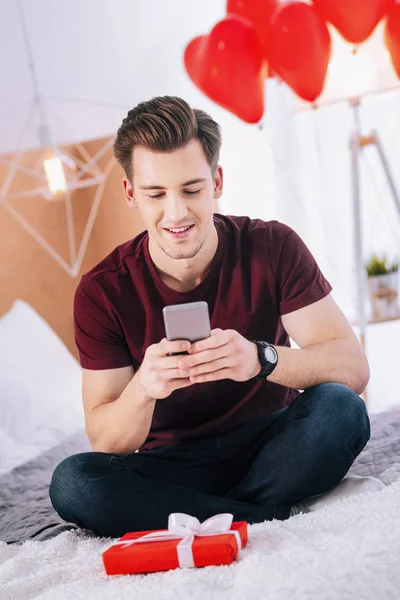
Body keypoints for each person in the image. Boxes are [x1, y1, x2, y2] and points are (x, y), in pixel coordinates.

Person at [49, 96, 384, 539]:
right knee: (73, 482)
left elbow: (353, 370)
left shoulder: (272, 246)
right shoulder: (102, 290)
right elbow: (108, 440)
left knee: (342, 409)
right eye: (156, 194)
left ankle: (203, 517)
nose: (177, 213)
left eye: (191, 189)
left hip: (271, 444)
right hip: (171, 465)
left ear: (217, 181)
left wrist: (262, 359)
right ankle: (262, 516)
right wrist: (144, 389)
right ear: (131, 193)